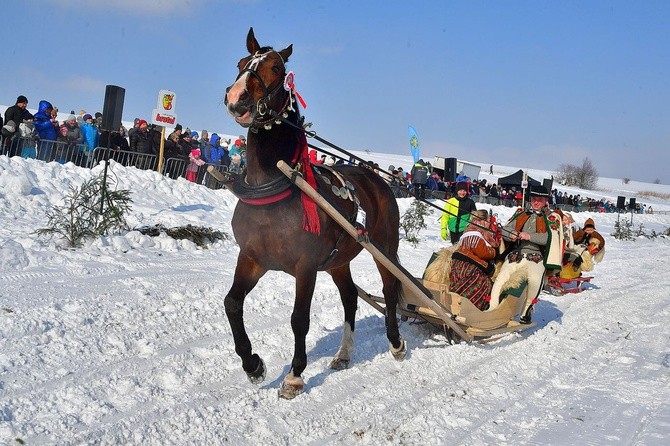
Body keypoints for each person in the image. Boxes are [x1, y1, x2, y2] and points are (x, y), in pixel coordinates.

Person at [488, 186, 563, 323]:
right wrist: (512, 234)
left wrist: (529, 236)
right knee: (501, 278)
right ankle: (492, 308)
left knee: (535, 281)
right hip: (516, 255)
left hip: (536, 257)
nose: (535, 202)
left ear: (545, 200)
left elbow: (550, 238)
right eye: (534, 199)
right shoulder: (521, 213)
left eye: (539, 200)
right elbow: (505, 229)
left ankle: (527, 310)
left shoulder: (552, 217)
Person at [449, 210, 500, 310]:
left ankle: (454, 303)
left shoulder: (468, 229)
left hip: (458, 265)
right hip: (469, 267)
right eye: (488, 221)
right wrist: (494, 252)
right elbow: (482, 252)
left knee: (460, 285)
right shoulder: (477, 232)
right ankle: (468, 309)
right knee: (484, 284)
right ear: (484, 221)